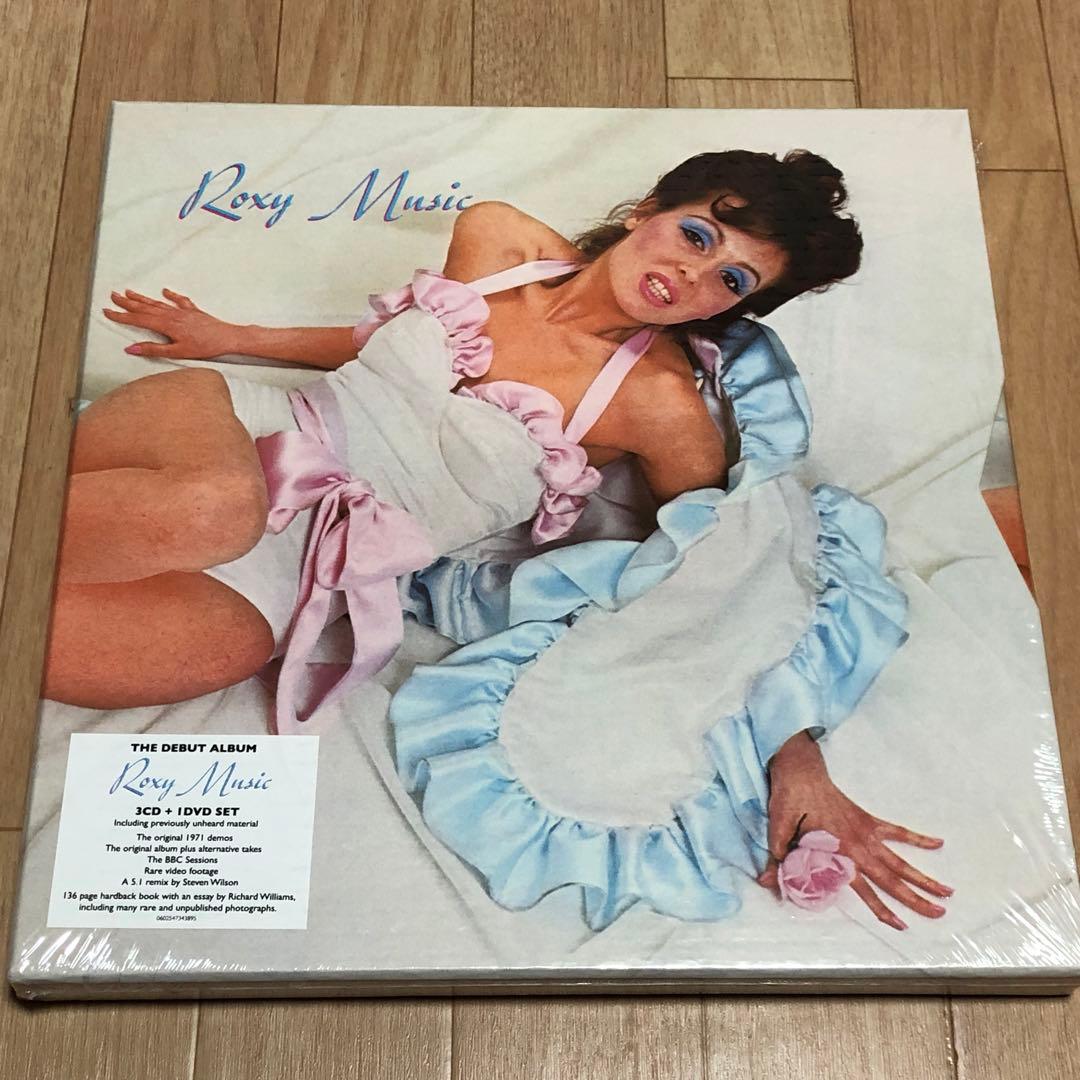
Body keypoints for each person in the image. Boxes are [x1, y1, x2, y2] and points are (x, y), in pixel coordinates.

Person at [43, 149, 951, 927]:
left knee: (213, 652)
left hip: (317, 561)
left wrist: (794, 750)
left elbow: (724, 578)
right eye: (697, 234)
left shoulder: (664, 413)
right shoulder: (496, 240)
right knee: (212, 510)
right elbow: (381, 342)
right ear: (648, 209)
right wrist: (231, 336)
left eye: (732, 281)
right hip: (226, 435)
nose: (693, 274)